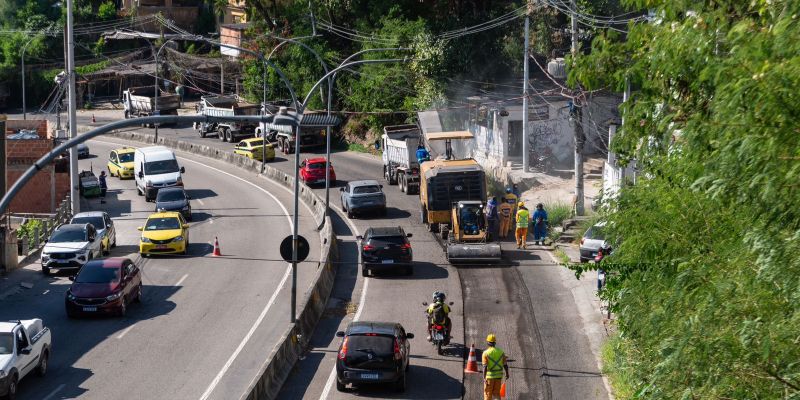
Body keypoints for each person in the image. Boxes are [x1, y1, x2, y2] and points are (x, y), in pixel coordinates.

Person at [482, 333, 509, 400]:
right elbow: (505, 365)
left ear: (488, 342)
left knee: (488, 394)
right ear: (495, 343)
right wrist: (507, 373)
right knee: (497, 394)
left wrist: (484, 377)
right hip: (498, 377)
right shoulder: (501, 352)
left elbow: (484, 367)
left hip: (489, 377)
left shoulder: (485, 353)